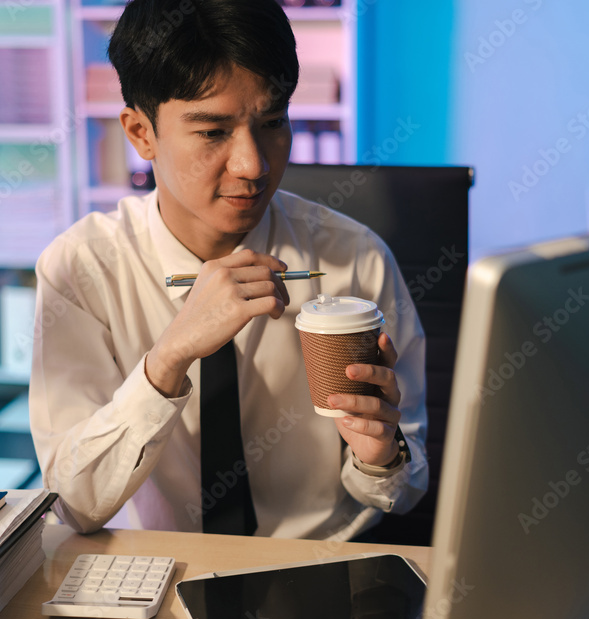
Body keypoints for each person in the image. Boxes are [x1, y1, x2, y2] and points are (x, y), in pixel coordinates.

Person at [29, 0, 428, 539]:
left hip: (320, 566)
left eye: (271, 122)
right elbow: (75, 505)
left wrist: (380, 455)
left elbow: (403, 493)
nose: (253, 165)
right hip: (155, 575)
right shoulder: (80, 269)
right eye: (214, 132)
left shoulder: (354, 258)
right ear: (141, 133)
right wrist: (169, 357)